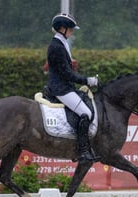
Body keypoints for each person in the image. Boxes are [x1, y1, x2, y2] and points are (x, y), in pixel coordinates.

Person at [46, 13, 100, 163]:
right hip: (61, 88)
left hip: (65, 86)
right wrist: (87, 80)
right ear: (62, 28)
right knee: (86, 113)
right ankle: (82, 151)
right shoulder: (56, 46)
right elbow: (67, 74)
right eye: (70, 29)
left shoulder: (62, 43)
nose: (72, 32)